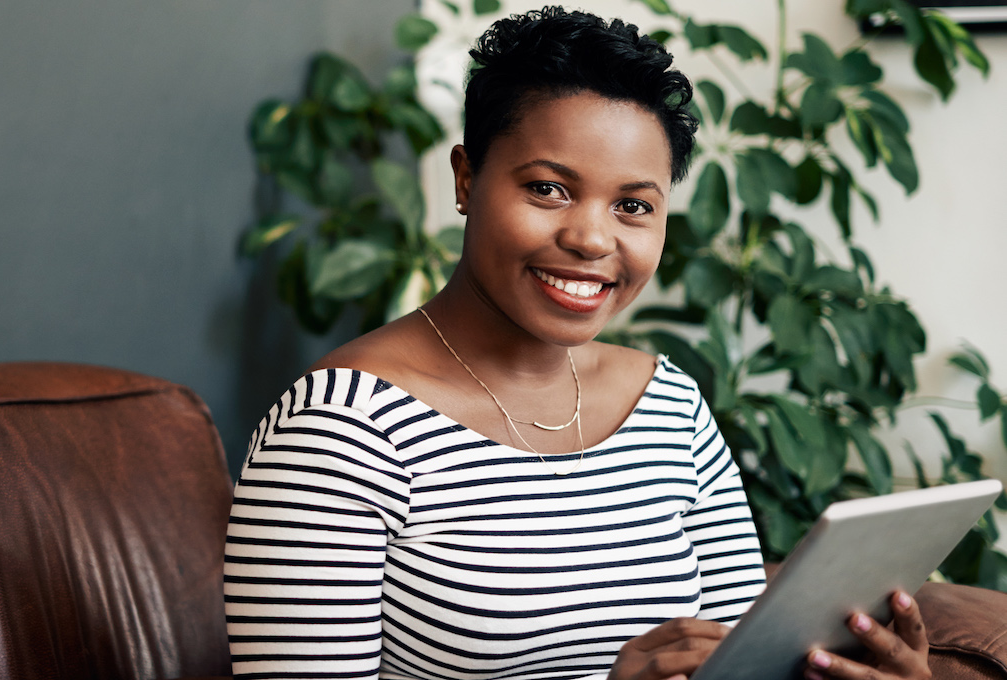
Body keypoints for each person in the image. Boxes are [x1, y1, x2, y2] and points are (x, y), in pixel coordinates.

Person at [225, 7, 933, 680]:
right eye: (548, 189)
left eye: (633, 206)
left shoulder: (671, 407)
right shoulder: (340, 430)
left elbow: (739, 658)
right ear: (466, 179)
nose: (593, 240)